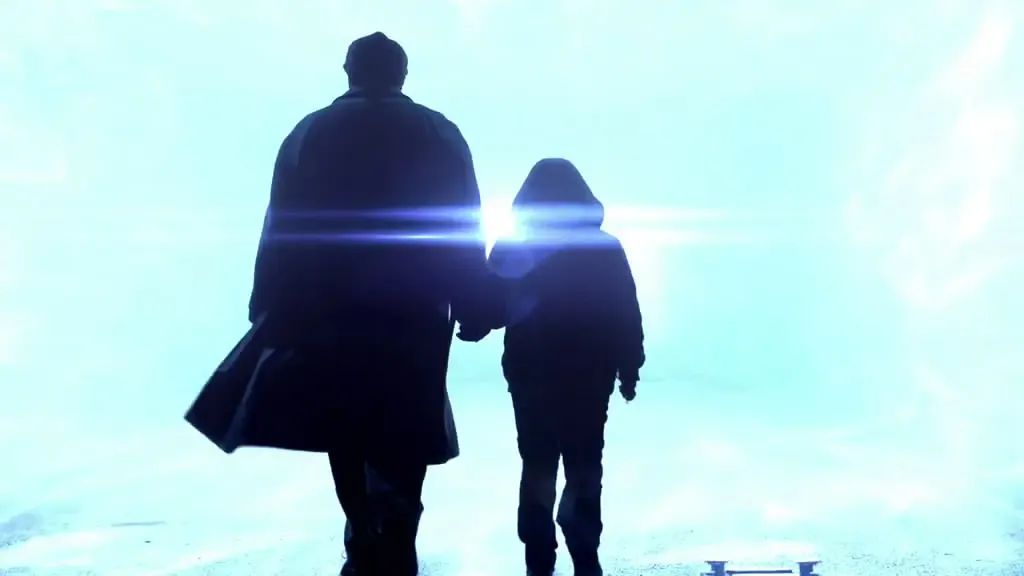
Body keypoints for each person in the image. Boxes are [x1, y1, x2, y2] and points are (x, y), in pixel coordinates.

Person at [248, 32, 495, 576]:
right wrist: (473, 300)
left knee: (346, 424)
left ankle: (362, 529)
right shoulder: (439, 132)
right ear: (402, 74)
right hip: (416, 311)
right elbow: (460, 225)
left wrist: (268, 304)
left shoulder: (309, 133)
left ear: (348, 71)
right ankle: (398, 529)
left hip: (329, 312)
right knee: (406, 419)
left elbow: (281, 227)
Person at [481, 159, 646, 576]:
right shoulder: (604, 248)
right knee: (585, 461)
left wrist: (474, 321)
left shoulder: (513, 247)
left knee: (536, 462)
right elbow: (625, 310)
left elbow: (492, 307)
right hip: (589, 376)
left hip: (529, 375)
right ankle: (585, 553)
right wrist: (629, 367)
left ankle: (538, 557)